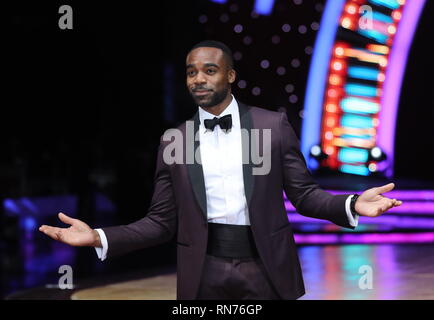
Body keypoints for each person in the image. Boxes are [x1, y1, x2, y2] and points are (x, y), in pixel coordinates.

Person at [39, 40, 402, 300]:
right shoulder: (173, 140)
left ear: (230, 76)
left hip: (266, 268)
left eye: (209, 71)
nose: (198, 79)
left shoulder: (271, 126)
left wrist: (353, 204)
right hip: (203, 269)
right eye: (191, 72)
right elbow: (161, 222)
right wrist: (98, 237)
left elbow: (304, 196)